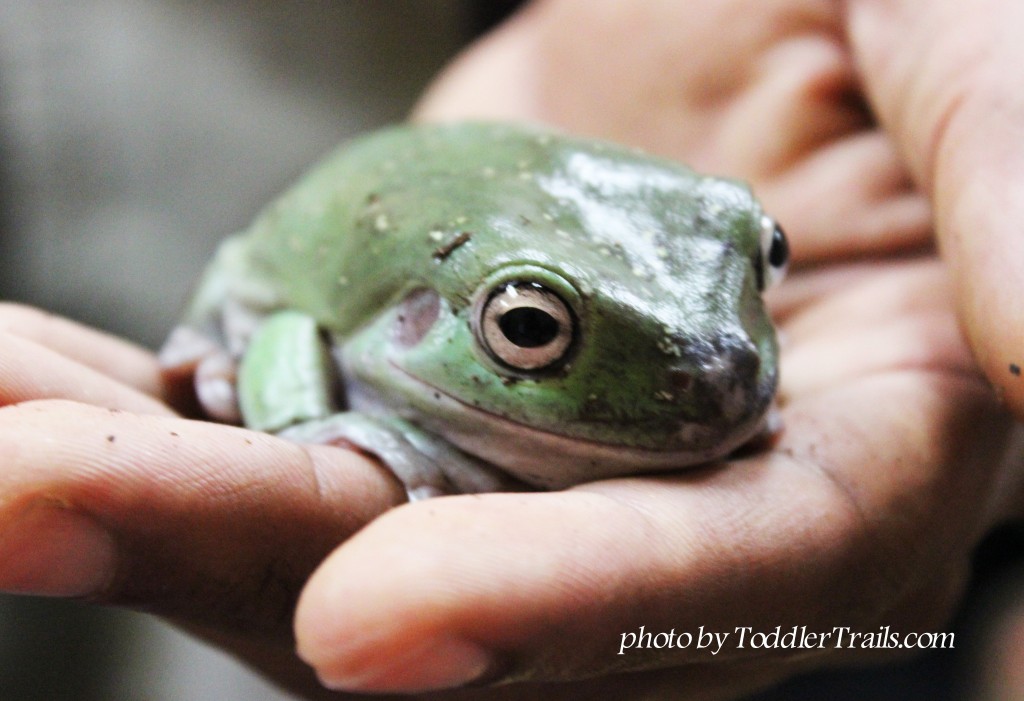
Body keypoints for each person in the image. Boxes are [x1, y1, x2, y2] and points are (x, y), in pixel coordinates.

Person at [0, 0, 1021, 697]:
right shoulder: (385, 296)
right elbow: (280, 328)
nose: (722, 367)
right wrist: (311, 421)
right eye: (530, 329)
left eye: (763, 264)